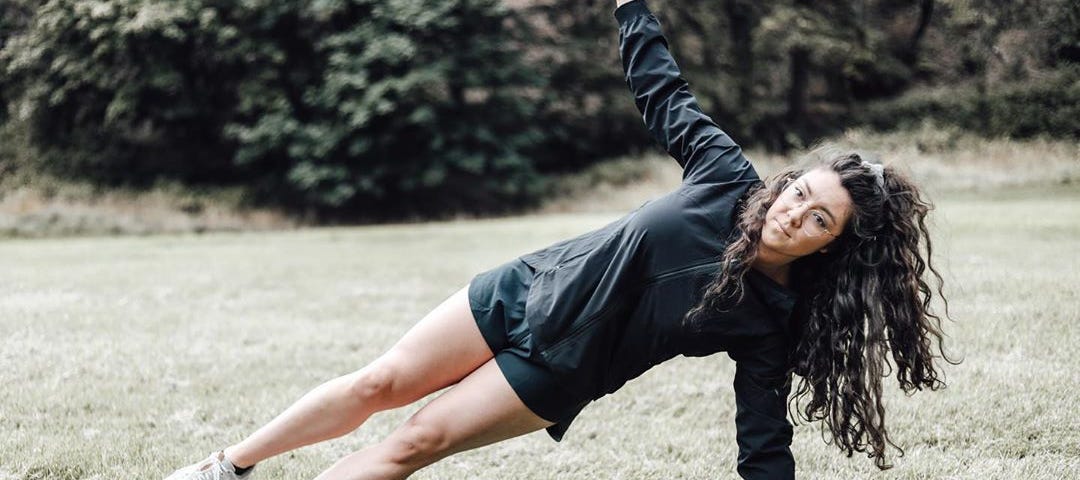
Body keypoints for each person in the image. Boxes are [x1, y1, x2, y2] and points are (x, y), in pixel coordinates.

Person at [164, 1, 956, 479]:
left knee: (415, 442)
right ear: (786, 183)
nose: (794, 213)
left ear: (831, 247)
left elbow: (763, 439)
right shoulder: (726, 175)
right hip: (524, 288)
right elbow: (662, 92)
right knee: (379, 383)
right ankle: (227, 465)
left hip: (557, 370)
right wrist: (631, 8)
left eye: (819, 219)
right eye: (800, 193)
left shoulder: (773, 317)